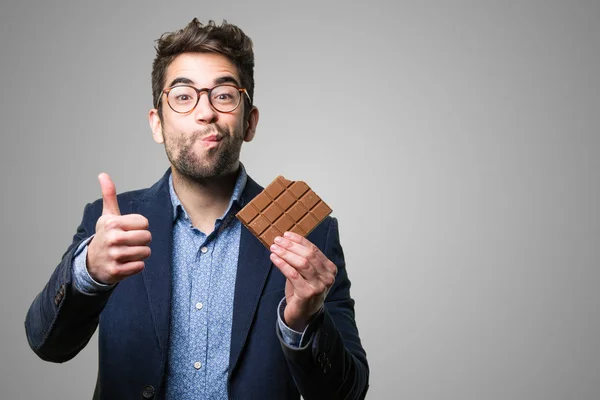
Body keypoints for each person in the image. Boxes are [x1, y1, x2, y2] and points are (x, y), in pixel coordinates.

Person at [24, 18, 369, 400]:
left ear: (249, 122)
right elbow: (47, 345)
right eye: (184, 96)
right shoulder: (110, 225)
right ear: (157, 123)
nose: (205, 112)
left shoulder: (311, 234)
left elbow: (348, 393)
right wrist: (88, 271)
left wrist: (305, 320)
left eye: (223, 95)